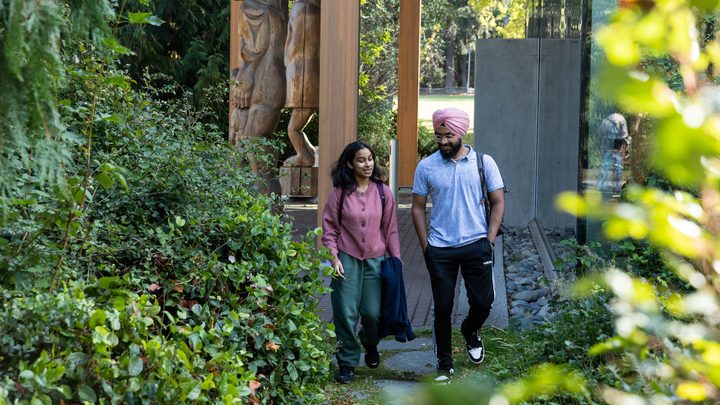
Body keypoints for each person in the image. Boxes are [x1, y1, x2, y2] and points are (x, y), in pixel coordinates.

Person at [411, 107, 505, 384]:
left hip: (477, 243)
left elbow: (498, 201)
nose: (442, 141)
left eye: (448, 135)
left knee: (483, 302)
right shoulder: (426, 166)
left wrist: (489, 239)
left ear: (461, 132)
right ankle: (444, 364)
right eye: (438, 135)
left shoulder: (484, 163)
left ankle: (470, 330)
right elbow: (417, 208)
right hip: (440, 249)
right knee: (442, 307)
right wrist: (426, 246)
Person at [322, 141, 401, 384]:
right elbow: (329, 230)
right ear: (350, 164)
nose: (367, 164)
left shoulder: (383, 192)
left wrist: (396, 261)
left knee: (373, 315)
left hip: (376, 262)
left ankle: (370, 343)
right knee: (345, 314)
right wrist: (334, 257)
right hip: (346, 260)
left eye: (370, 159)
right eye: (360, 160)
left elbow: (391, 230)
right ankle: (347, 362)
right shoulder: (340, 193)